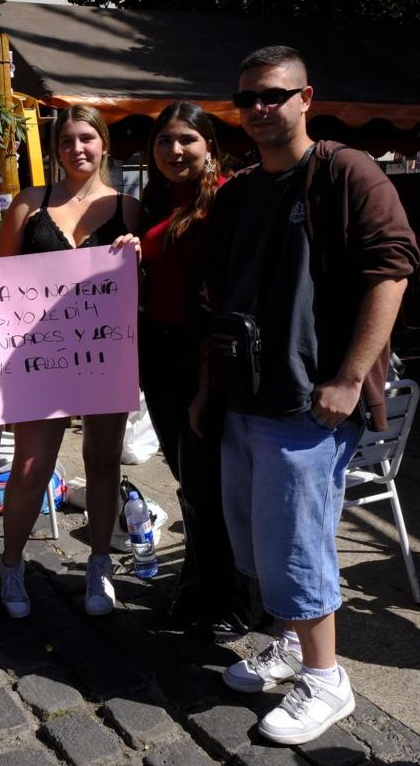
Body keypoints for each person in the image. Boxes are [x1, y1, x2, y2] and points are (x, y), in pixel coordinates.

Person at [196, 46, 418, 745]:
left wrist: (351, 377)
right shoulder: (237, 193)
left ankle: (328, 679)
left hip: (311, 400)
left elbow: (393, 268)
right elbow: (218, 297)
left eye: (272, 95)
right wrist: (209, 389)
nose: (258, 109)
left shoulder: (344, 171)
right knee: (259, 544)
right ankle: (295, 644)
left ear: (304, 97)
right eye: (246, 99)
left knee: (296, 545)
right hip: (245, 395)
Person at [0, 104, 141, 618]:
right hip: (40, 359)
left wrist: (137, 253)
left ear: (104, 143)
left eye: (86, 138)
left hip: (105, 355)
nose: (76, 149)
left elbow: (142, 286)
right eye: (66, 141)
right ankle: (11, 563)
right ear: (55, 150)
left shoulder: (128, 207)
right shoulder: (30, 203)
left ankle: (99, 564)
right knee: (30, 467)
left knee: (102, 464)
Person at [136, 102, 263, 640]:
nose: (174, 150)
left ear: (210, 145)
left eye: (186, 139)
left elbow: (226, 300)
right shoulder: (155, 199)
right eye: (164, 141)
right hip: (159, 357)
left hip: (203, 356)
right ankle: (200, 582)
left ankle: (232, 597)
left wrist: (206, 385)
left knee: (212, 484)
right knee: (191, 481)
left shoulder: (227, 201)